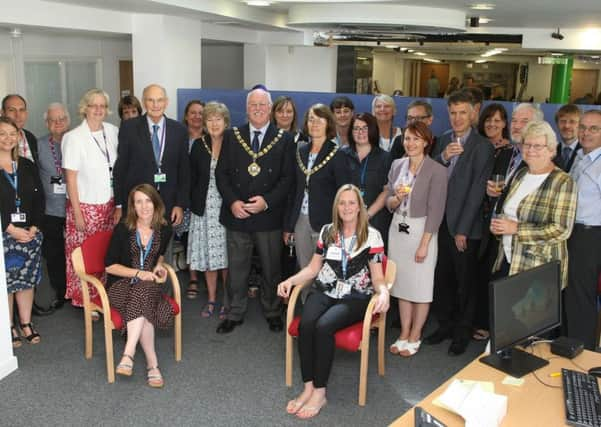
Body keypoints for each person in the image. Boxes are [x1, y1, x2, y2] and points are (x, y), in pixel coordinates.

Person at [277, 184, 389, 419]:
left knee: (324, 326)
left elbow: (378, 277)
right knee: (306, 322)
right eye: (342, 202)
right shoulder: (328, 231)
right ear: (336, 207)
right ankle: (308, 386)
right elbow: (312, 269)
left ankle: (320, 392)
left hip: (355, 297)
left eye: (351, 203)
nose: (346, 207)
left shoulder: (372, 235)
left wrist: (384, 293)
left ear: (359, 207)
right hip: (325, 290)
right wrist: (290, 280)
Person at [215, 87, 295, 334]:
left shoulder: (284, 139)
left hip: (268, 216)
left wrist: (266, 202)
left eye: (262, 105)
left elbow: (287, 178)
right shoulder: (232, 136)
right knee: (237, 268)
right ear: (246, 108)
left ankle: (272, 310)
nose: (258, 109)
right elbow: (222, 174)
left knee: (271, 268)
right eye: (253, 105)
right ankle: (235, 311)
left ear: (270, 109)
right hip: (238, 214)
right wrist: (232, 203)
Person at [426, 90, 494, 356]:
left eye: (462, 112)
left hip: (465, 228)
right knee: (442, 279)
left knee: (466, 283)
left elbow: (477, 191)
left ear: (474, 113)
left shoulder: (483, 146)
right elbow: (428, 173)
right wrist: (442, 157)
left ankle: (462, 333)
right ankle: (445, 325)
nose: (457, 118)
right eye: (453, 113)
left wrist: (463, 229)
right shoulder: (443, 140)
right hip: (440, 223)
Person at [490, 120, 577, 307]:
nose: (530, 150)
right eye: (527, 144)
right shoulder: (521, 175)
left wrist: (516, 229)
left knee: (529, 328)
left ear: (551, 150)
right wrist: (500, 228)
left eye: (538, 146)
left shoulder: (563, 181)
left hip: (537, 268)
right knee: (507, 323)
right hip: (508, 259)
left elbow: (561, 229)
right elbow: (509, 213)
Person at [474, 103, 541, 340]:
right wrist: (490, 192)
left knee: (513, 288)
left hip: (520, 236)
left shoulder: (540, 161)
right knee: (491, 279)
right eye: (515, 120)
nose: (517, 125)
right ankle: (493, 329)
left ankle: (505, 336)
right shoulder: (506, 153)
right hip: (495, 227)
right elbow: (493, 185)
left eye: (524, 121)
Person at [386, 122, 447, 357]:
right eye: (407, 139)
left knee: (420, 286)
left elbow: (436, 211)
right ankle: (403, 332)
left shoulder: (437, 170)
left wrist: (424, 244)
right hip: (398, 229)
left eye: (416, 139)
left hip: (423, 231)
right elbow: (390, 203)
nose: (410, 143)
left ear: (426, 142)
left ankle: (416, 334)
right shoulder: (397, 165)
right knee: (401, 284)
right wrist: (396, 199)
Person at [106, 184, 174, 388]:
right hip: (121, 285)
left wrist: (159, 267)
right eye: (138, 202)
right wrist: (138, 273)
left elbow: (159, 257)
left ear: (155, 203)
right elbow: (109, 266)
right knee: (145, 298)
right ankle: (150, 364)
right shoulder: (123, 228)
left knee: (145, 291)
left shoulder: (164, 228)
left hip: (148, 286)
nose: (144, 206)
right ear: (132, 206)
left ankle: (129, 356)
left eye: (148, 201)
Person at [62, 88, 119, 308]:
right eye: (93, 105)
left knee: (105, 251)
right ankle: (84, 300)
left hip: (110, 204)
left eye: (102, 106)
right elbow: (71, 179)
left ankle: (102, 296)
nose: (98, 110)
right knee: (84, 256)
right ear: (84, 108)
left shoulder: (113, 131)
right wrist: (77, 213)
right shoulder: (73, 138)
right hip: (84, 207)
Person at [113, 84, 190, 231]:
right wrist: (119, 204)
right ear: (143, 102)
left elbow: (184, 172)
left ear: (166, 102)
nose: (155, 105)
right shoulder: (129, 128)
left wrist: (180, 204)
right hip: (137, 204)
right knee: (137, 250)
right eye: (150, 100)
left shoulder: (179, 130)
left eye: (160, 100)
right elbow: (120, 169)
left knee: (163, 251)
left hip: (167, 204)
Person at [285, 104, 349, 271]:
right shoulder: (300, 151)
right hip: (301, 221)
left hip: (327, 223)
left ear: (328, 123)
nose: (314, 124)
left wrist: (340, 225)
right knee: (304, 269)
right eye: (311, 120)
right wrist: (289, 226)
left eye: (319, 120)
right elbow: (293, 191)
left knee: (325, 271)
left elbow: (344, 194)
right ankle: (305, 298)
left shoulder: (338, 154)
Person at [0, 116, 44, 347]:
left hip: (30, 233)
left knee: (26, 280)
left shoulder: (27, 165)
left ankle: (26, 323)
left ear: (19, 137)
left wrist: (34, 226)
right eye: (2, 133)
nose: (7, 138)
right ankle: (7, 326)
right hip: (5, 235)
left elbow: (39, 198)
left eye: (11, 133)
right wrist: (10, 228)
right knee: (7, 282)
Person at [188, 102, 230, 318]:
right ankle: (212, 299)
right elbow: (191, 178)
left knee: (227, 258)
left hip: (229, 209)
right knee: (210, 258)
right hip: (204, 210)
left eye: (218, 119)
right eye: (210, 120)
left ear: (226, 122)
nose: (214, 124)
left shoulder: (233, 143)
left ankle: (228, 300)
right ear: (204, 123)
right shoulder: (198, 145)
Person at [566, 110, 601, 350]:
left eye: (594, 129)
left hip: (590, 236)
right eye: (583, 127)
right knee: (569, 294)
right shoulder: (578, 156)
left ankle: (584, 353)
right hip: (572, 233)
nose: (586, 133)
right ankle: (568, 346)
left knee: (581, 296)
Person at [37, 103, 70, 310]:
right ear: (47, 123)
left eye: (61, 119)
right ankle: (60, 292)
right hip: (50, 210)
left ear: (67, 121)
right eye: (52, 120)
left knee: (77, 252)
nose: (57, 123)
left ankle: (80, 291)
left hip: (74, 207)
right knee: (54, 253)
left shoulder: (76, 140)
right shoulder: (38, 145)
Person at [341, 112, 391, 244]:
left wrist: (367, 215)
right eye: (356, 128)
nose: (360, 132)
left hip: (375, 220)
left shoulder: (385, 157)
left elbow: (387, 191)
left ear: (372, 130)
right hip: (346, 219)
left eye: (365, 128)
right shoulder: (341, 155)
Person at [181, 99, 205, 298]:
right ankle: (193, 276)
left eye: (200, 113)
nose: (197, 116)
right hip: (183, 195)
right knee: (189, 237)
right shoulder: (179, 137)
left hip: (204, 196)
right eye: (193, 113)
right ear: (186, 116)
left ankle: (208, 271)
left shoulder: (212, 138)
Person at [1, 94, 39, 165]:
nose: (18, 115)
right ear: (2, 113)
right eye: (12, 110)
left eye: (21, 110)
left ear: (26, 113)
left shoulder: (31, 137)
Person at [554, 104, 581, 172]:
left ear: (581, 125)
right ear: (557, 124)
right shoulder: (551, 151)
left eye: (572, 122)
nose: (567, 126)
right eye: (563, 121)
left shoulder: (587, 152)